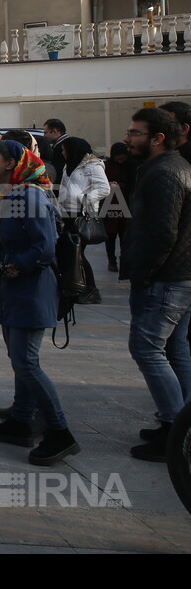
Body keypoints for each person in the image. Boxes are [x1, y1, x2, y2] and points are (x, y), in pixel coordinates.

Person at [0, 139, 81, 465]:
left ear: (12, 164)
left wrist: (9, 266)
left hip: (30, 289)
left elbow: (44, 249)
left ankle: (59, 432)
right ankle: (21, 421)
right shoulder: (10, 194)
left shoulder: (29, 195)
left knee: (27, 362)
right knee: (18, 357)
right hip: (14, 289)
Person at [120, 107, 191, 462]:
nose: (128, 138)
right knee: (176, 351)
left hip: (166, 279)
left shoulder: (165, 172)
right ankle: (178, 427)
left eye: (135, 133)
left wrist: (144, 272)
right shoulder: (169, 167)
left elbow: (163, 232)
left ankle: (175, 433)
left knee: (147, 349)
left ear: (158, 138)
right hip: (176, 276)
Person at [56, 136, 109, 305]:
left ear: (73, 150)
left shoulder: (92, 166)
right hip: (67, 213)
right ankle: (76, 286)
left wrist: (83, 198)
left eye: (65, 149)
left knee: (78, 253)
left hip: (82, 213)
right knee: (71, 252)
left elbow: (104, 188)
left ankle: (91, 290)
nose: (62, 152)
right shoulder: (70, 165)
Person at [103, 142, 134, 273]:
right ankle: (111, 260)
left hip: (126, 204)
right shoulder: (106, 166)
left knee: (125, 236)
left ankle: (125, 260)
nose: (121, 161)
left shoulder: (130, 166)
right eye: (118, 158)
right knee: (110, 235)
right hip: (109, 205)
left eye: (123, 158)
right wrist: (108, 184)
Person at [42, 118, 68, 183]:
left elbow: (58, 172)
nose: (44, 136)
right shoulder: (65, 143)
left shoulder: (61, 148)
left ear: (54, 131)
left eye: (45, 133)